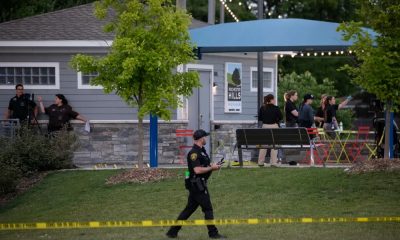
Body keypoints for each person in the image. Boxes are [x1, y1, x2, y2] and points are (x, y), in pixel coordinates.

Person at [166, 129, 226, 239]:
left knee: (189, 209)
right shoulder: (194, 153)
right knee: (207, 208)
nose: (206, 139)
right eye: (205, 137)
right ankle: (213, 233)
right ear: (201, 138)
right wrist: (211, 168)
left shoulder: (202, 151)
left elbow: (205, 165)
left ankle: (172, 232)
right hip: (197, 185)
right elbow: (197, 170)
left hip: (198, 184)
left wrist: (213, 165)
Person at [257, 94, 282, 167]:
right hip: (274, 126)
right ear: (270, 100)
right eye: (273, 99)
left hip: (264, 126)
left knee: (264, 145)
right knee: (275, 144)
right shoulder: (276, 108)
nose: (274, 100)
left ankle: (260, 162)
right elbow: (280, 117)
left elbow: (260, 119)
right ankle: (273, 162)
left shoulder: (262, 108)